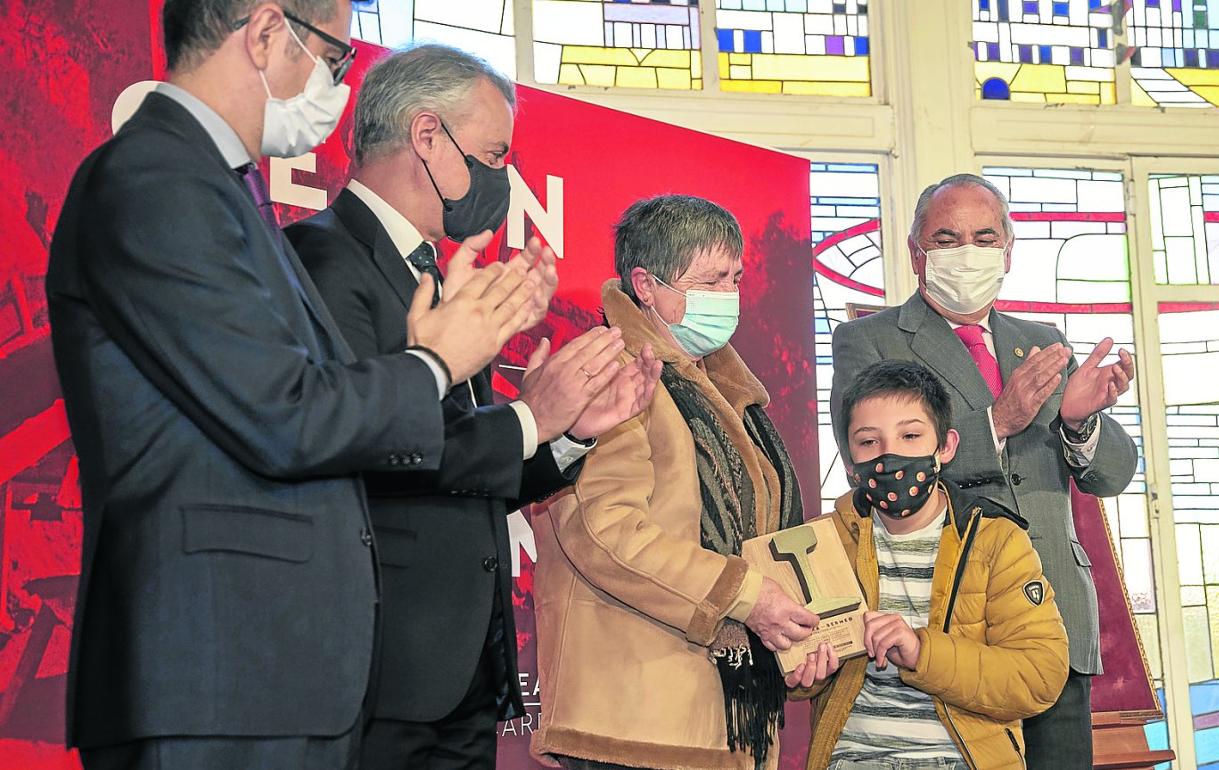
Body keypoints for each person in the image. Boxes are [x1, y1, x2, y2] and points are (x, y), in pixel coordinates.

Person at [45, 1, 547, 768]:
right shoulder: (155, 176)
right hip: (215, 674)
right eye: (336, 60)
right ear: (268, 32)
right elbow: (285, 415)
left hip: (268, 676)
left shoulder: (218, 189)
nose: (337, 88)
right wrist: (435, 363)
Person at [286, 44, 662, 770]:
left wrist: (569, 437)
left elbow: (471, 463)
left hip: (463, 671)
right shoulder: (323, 260)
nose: (502, 179)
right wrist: (530, 418)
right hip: (377, 672)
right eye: (493, 156)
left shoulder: (443, 272)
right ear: (427, 137)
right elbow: (367, 448)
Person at [829, 173, 1138, 768]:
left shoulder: (1041, 341)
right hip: (943, 619)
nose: (966, 253)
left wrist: (1079, 423)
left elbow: (1115, 476)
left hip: (1053, 618)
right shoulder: (867, 340)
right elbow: (865, 469)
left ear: (1009, 251)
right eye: (946, 240)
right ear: (917, 255)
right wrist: (996, 419)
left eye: (983, 237)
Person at [530, 195, 822, 770]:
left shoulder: (728, 394)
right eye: (712, 279)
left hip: (723, 717)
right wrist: (745, 595)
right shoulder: (610, 373)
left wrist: (799, 627)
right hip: (635, 716)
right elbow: (605, 533)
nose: (730, 295)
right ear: (646, 284)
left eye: (735, 278)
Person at [794, 359, 1069, 770]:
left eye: (910, 435)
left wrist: (921, 651)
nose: (890, 456)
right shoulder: (820, 542)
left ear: (945, 447)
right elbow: (794, 671)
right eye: (868, 442)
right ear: (849, 462)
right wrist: (805, 677)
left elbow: (1039, 675)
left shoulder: (996, 541)